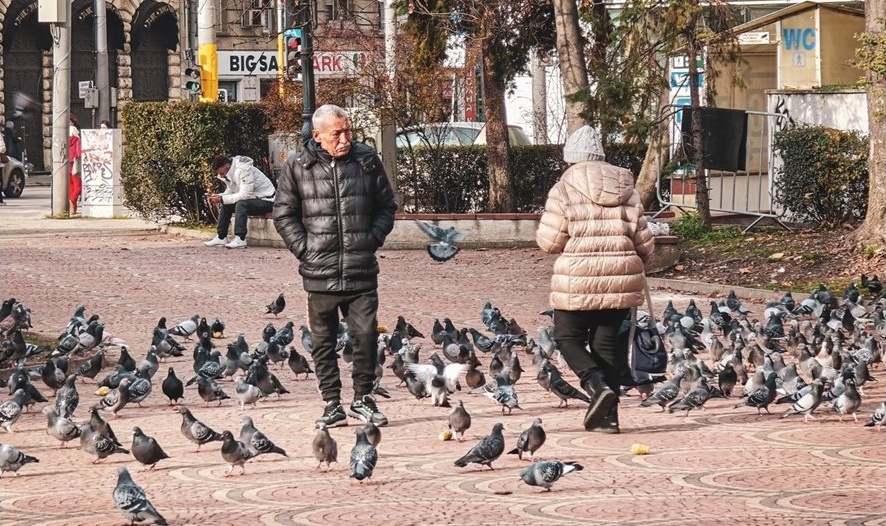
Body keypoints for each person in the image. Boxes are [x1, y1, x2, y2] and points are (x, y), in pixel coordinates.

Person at [273, 104, 397, 428]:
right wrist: (305, 250)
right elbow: (283, 214)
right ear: (317, 136)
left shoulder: (367, 160)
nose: (345, 139)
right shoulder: (298, 166)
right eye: (336, 133)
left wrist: (370, 239)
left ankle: (363, 399)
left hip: (361, 270)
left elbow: (387, 206)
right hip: (319, 272)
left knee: (365, 336)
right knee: (322, 343)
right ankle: (331, 404)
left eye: (347, 131)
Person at [536, 125, 654, 434]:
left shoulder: (563, 189)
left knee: (567, 338)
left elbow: (549, 242)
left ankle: (595, 385)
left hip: (577, 279)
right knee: (607, 346)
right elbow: (645, 243)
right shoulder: (627, 189)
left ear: (571, 158)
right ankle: (609, 419)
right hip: (620, 280)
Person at [203, 154, 277, 249]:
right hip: (254, 199)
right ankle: (221, 237)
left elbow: (245, 194)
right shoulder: (230, 172)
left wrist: (222, 199)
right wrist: (219, 196)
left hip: (267, 200)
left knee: (241, 204)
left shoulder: (243, 170)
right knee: (226, 205)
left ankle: (240, 238)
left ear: (227, 166)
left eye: (222, 173)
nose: (221, 176)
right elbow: (231, 191)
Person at [68, 115, 82, 215]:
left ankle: (73, 209)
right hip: (75, 164)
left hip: (66, 165)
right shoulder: (77, 140)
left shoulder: (63, 140)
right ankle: (71, 201)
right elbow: (79, 153)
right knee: (78, 187)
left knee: (71, 187)